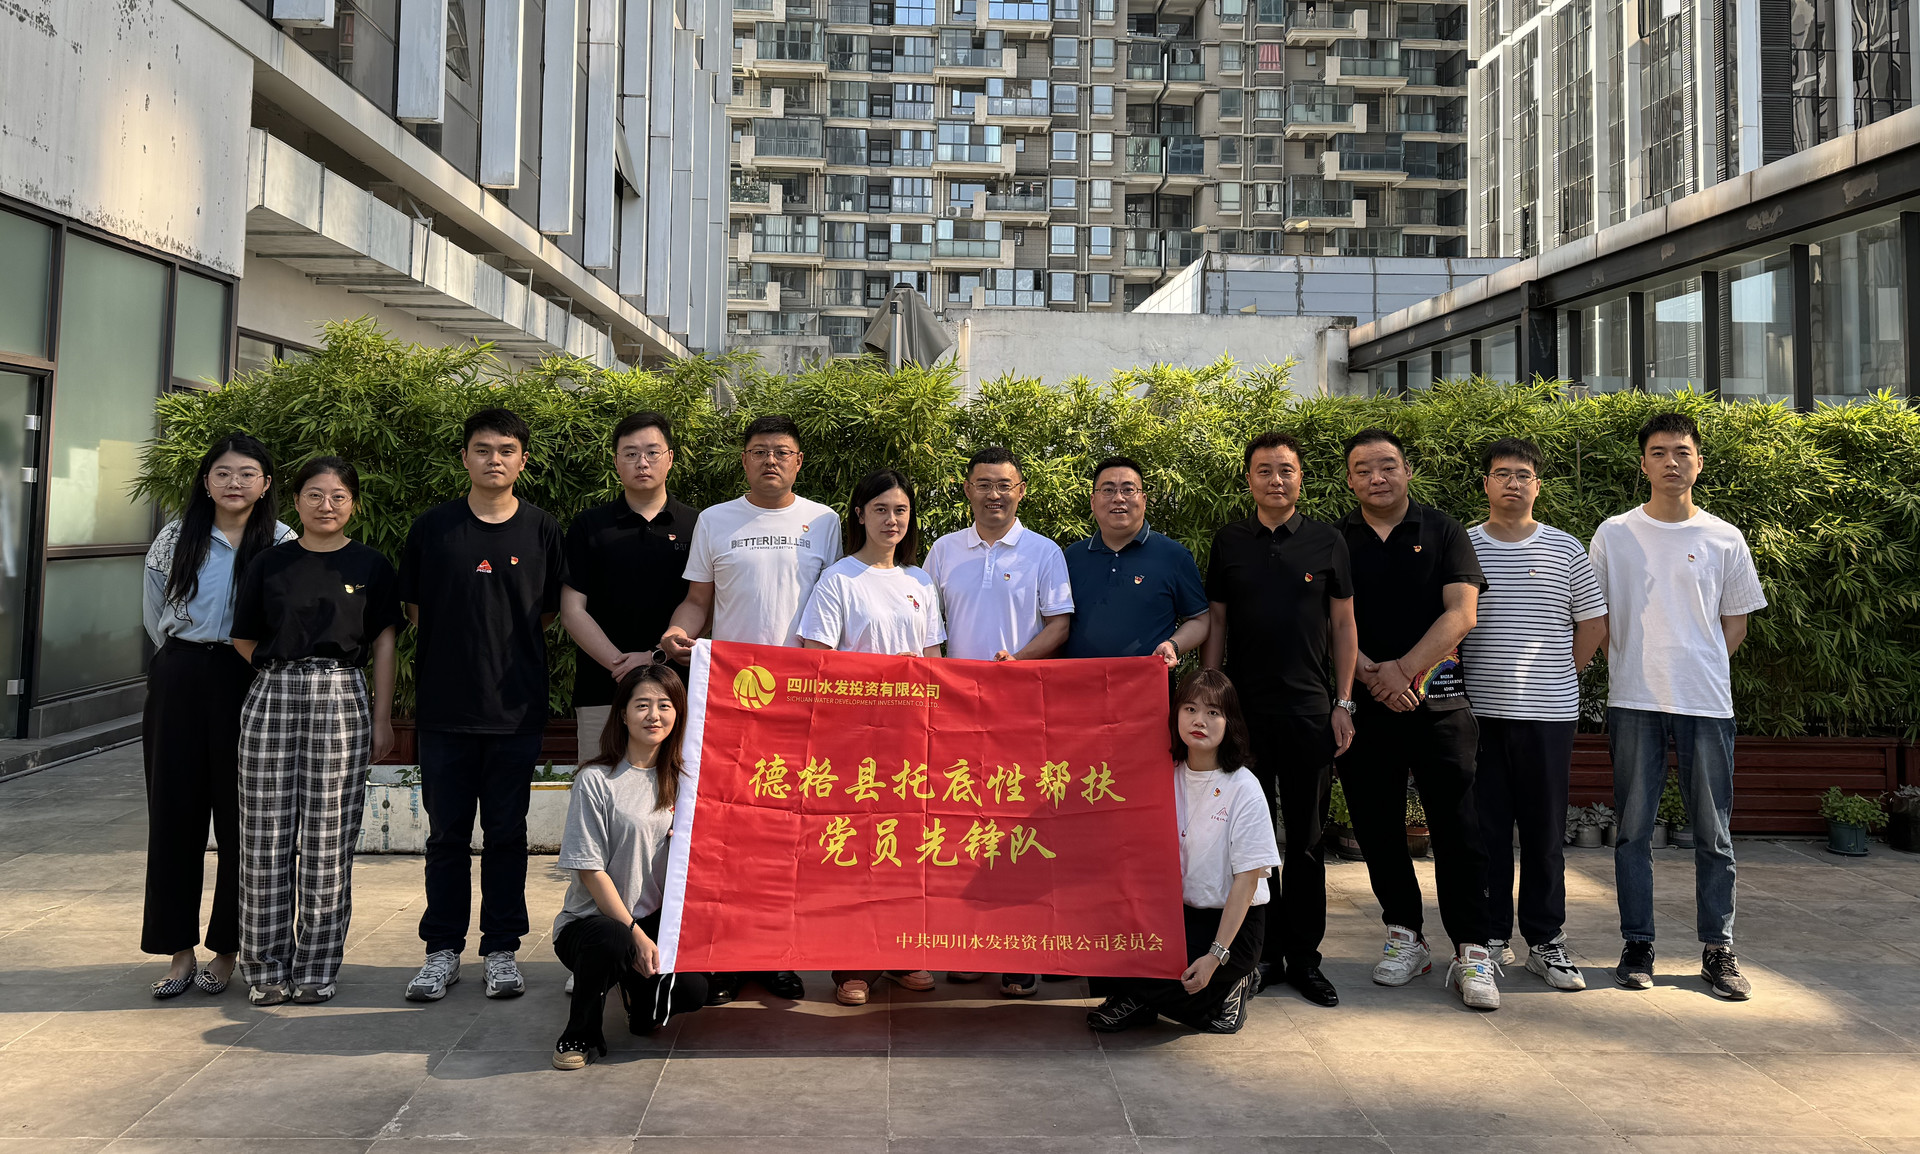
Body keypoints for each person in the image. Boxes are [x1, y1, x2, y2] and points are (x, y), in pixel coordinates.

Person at [660, 414, 841, 1004]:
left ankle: (777, 954)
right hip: (733, 703)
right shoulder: (715, 521)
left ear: (799, 462)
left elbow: (841, 602)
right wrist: (678, 632)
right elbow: (697, 601)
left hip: (806, 702)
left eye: (782, 452)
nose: (771, 460)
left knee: (791, 834)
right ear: (744, 460)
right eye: (760, 451)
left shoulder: (825, 521)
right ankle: (728, 956)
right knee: (732, 832)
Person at [1589, 412, 1766, 1001]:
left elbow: (1734, 623)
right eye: (1660, 452)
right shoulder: (1614, 534)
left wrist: (1698, 664)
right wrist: (1635, 664)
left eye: (1682, 451)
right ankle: (1638, 944)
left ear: (1699, 462)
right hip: (1633, 699)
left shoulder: (1724, 537)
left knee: (1713, 833)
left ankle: (1718, 949)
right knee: (1633, 831)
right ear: (1643, 464)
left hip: (1706, 703)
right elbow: (1598, 617)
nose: (1672, 461)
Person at [399, 408, 568, 1003]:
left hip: (515, 709)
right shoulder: (433, 528)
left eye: (505, 450)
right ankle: (441, 950)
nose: (494, 459)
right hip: (445, 709)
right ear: (465, 457)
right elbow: (416, 611)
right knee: (446, 836)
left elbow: (548, 613)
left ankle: (501, 949)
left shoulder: (543, 528)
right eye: (482, 449)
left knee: (506, 834)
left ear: (523, 460)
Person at [1336, 428, 1500, 1010]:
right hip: (1367, 706)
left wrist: (1403, 671)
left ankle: (1472, 949)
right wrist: (1372, 677)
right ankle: (1405, 934)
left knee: (1459, 830)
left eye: (1387, 465)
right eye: (1363, 469)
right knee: (1377, 827)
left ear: (1408, 470)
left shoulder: (1445, 530)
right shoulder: (1335, 539)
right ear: (1349, 479)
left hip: (1440, 704)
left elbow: (1462, 613)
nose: (1376, 477)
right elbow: (1326, 621)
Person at [229, 457, 401, 1005]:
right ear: (296, 499)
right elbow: (243, 637)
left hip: (341, 694)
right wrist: (283, 672)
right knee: (264, 839)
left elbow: (384, 644)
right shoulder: (268, 562)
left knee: (329, 840)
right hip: (272, 695)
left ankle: (317, 967)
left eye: (338, 496)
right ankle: (264, 968)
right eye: (315, 495)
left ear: (354, 503)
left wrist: (381, 717)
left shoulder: (371, 564)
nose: (326, 506)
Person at [1200, 431, 1356, 1008]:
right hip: (1244, 717)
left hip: (1310, 713)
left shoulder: (1327, 541)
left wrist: (1344, 701)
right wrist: (1211, 697)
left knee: (1308, 842)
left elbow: (1344, 625)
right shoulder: (1229, 541)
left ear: (1300, 478)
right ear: (1249, 480)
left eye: (1285, 470)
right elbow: (1217, 623)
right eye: (1264, 470)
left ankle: (1305, 958)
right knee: (1252, 844)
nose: (1276, 480)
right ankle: (1261, 955)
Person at [140, 434, 295, 999]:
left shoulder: (282, 541)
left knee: (242, 820)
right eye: (223, 473)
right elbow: (154, 612)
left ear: (266, 483)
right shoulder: (175, 536)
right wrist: (183, 658)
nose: (235, 483)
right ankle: (178, 951)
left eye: (247, 473)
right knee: (174, 814)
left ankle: (228, 949)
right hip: (180, 674)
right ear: (206, 481)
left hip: (248, 677)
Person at [923, 445, 1074, 998]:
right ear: (968, 490)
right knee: (962, 826)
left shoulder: (1044, 551)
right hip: (955, 713)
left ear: (1021, 491)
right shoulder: (943, 550)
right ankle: (968, 945)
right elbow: (926, 623)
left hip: (1021, 713)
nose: (994, 495)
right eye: (983, 484)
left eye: (1004, 485)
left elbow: (1059, 625)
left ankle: (1019, 952)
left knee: (1018, 830)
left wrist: (1019, 664)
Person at [1460, 437, 1608, 992]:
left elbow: (1592, 624)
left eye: (1523, 474)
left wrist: (1558, 673)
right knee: (1487, 832)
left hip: (1548, 716)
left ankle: (1545, 941)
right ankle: (1492, 936)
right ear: (1486, 484)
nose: (1513, 483)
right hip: (1480, 715)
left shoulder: (1565, 549)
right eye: (1502, 474)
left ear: (1537, 486)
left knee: (1544, 833)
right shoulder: (1463, 546)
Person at [798, 467, 944, 1006]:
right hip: (854, 739)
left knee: (906, 846)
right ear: (859, 514)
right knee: (857, 848)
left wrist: (920, 681)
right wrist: (884, 675)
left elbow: (935, 662)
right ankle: (852, 965)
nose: (891, 520)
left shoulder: (920, 581)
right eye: (880, 509)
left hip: (912, 739)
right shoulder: (839, 580)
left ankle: (903, 954)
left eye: (900, 510)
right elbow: (817, 662)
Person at [1086, 669, 1279, 1035]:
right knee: (1101, 938)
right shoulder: (1163, 774)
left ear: (1230, 722)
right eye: (1190, 709)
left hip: (1230, 925)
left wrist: (1215, 956)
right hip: (1174, 915)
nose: (1199, 721)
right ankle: (1148, 997)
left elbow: (1247, 883)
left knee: (1184, 976)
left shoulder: (1244, 788)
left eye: (1213, 712)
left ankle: (1226, 985)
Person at [550, 665, 709, 1069]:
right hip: (591, 923)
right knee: (612, 940)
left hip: (653, 920)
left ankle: (637, 999)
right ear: (622, 714)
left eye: (665, 705)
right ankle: (579, 1034)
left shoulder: (685, 782)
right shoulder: (596, 779)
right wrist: (635, 934)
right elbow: (591, 871)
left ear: (679, 714)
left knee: (692, 991)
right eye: (642, 705)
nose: (654, 715)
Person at [559, 411, 700, 755]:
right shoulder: (589, 526)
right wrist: (622, 665)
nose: (642, 462)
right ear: (616, 462)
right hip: (603, 687)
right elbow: (572, 611)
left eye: (652, 452)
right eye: (631, 453)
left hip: (678, 690)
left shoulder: (699, 525)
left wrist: (655, 657)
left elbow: (703, 603)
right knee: (599, 780)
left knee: (675, 785)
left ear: (670, 458)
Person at [1062, 456, 1208, 666]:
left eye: (1128, 490)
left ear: (1144, 500)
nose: (1118, 498)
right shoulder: (1071, 557)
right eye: (1108, 490)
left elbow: (1200, 620)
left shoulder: (1174, 556)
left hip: (1147, 680)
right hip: (1081, 680)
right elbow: (1055, 624)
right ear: (1093, 501)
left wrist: (1173, 645)